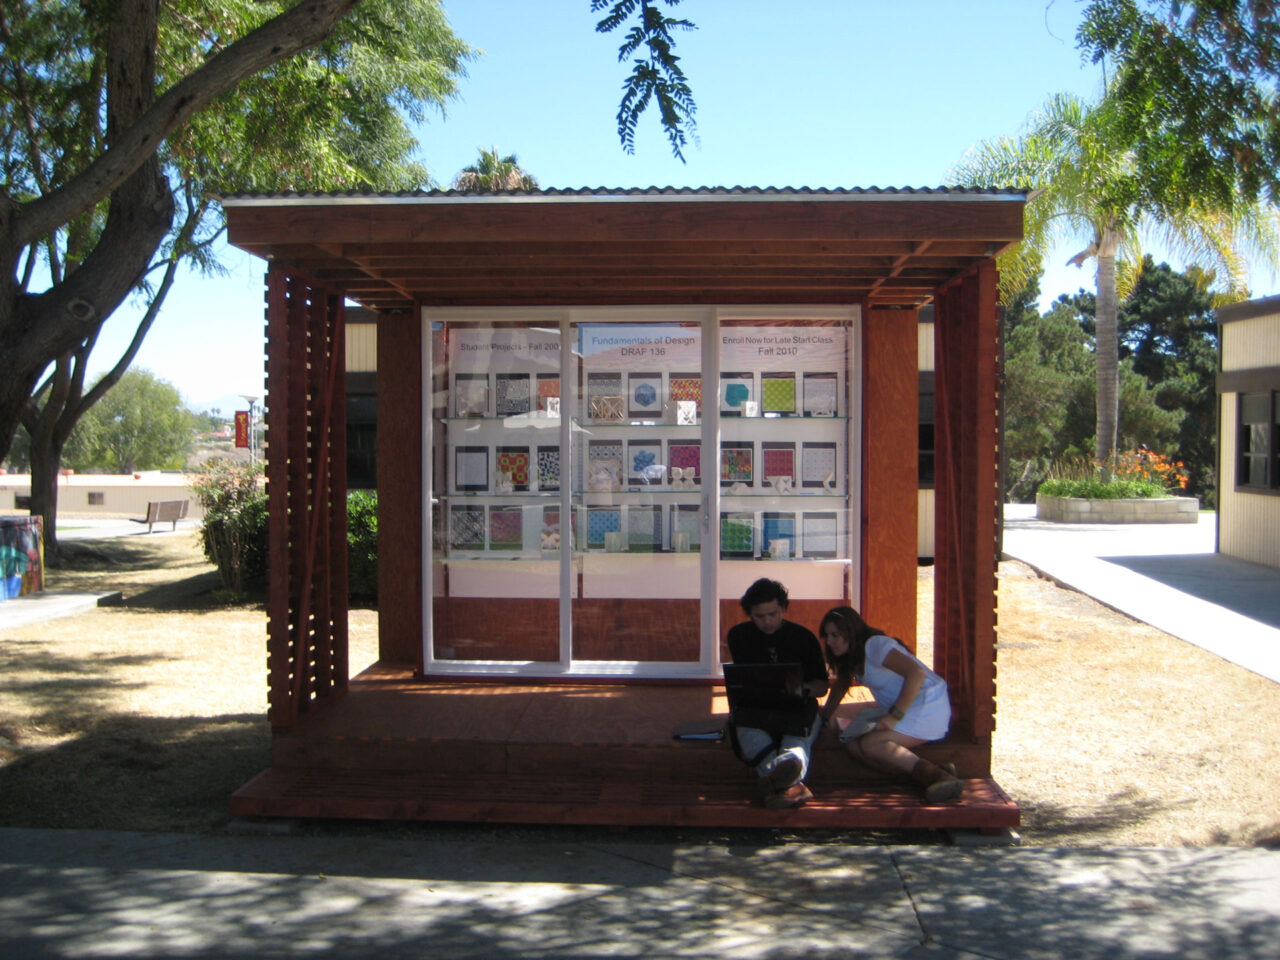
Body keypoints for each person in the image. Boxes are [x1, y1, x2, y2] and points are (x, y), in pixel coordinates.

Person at [817, 606, 963, 803]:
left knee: (871, 743)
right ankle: (931, 773)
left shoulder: (875, 645)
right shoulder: (850, 655)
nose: (830, 641)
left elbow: (916, 673)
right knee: (851, 744)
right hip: (898, 707)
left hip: (927, 703)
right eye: (827, 636)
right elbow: (841, 684)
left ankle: (939, 778)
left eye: (835, 635)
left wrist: (895, 715)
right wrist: (825, 716)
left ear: (850, 631)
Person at [726, 578, 828, 809]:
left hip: (797, 708)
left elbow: (821, 686)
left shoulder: (803, 638)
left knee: (795, 742)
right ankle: (791, 787)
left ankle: (774, 787)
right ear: (750, 614)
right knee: (752, 736)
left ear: (783, 608)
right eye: (759, 616)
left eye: (773, 614)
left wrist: (799, 689)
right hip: (756, 708)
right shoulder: (739, 636)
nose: (767, 622)